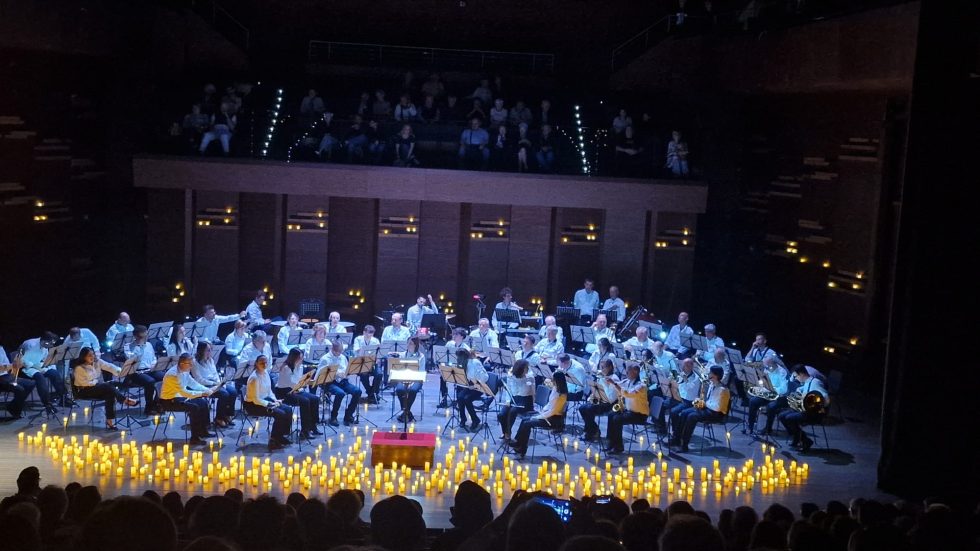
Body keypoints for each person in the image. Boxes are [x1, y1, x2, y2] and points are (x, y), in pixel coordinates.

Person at [70, 347, 137, 430]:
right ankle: (124, 400)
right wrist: (95, 381)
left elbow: (109, 366)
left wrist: (121, 371)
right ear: (83, 357)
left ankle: (109, 420)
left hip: (97, 388)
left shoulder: (97, 362)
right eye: (89, 355)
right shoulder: (79, 368)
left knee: (110, 394)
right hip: (84, 390)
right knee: (107, 386)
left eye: (93, 354)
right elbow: (84, 383)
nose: (92, 357)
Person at [159, 353, 216, 445]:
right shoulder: (172, 375)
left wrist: (207, 390)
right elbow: (184, 393)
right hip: (169, 400)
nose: (192, 366)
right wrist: (202, 393)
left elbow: (192, 383)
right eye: (190, 364)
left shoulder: (185, 370)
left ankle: (204, 431)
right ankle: (195, 438)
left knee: (203, 402)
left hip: (179, 397)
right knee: (194, 407)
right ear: (182, 364)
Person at [671, 366, 730, 452]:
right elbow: (709, 401)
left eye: (710, 373)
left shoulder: (723, 390)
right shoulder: (711, 385)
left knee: (692, 416)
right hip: (708, 409)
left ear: (715, 376)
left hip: (717, 414)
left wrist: (704, 403)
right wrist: (699, 400)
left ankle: (684, 445)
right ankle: (676, 440)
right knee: (684, 412)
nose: (708, 374)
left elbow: (718, 407)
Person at [512, 371, 567, 457]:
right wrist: (542, 411)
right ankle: (518, 443)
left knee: (527, 423)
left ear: (557, 380)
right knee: (525, 418)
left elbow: (553, 411)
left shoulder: (562, 395)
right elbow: (550, 404)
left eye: (553, 379)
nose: (552, 381)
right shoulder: (555, 389)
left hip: (553, 419)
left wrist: (539, 416)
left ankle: (522, 448)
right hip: (547, 414)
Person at [244, 355, 292, 450]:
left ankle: (281, 436)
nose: (265, 365)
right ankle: (274, 440)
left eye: (266, 362)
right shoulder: (254, 378)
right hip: (253, 405)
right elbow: (256, 399)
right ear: (256, 364)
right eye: (262, 363)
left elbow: (269, 391)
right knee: (280, 414)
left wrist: (275, 400)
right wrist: (270, 404)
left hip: (265, 400)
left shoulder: (266, 373)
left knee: (288, 409)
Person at [778, 364, 829, 452]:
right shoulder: (807, 382)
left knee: (789, 418)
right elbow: (806, 389)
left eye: (796, 376)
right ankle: (797, 436)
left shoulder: (815, 382)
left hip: (814, 413)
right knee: (781, 416)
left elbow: (826, 398)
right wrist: (799, 391)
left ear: (801, 374)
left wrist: (819, 408)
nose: (795, 379)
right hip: (805, 410)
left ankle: (806, 441)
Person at [274, 349, 321, 440]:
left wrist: (310, 381)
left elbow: (299, 382)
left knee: (315, 399)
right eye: (300, 358)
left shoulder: (300, 367)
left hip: (296, 390)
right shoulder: (286, 368)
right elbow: (292, 383)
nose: (301, 360)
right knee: (305, 401)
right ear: (294, 358)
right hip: (284, 392)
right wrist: (305, 382)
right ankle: (304, 431)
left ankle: (313, 426)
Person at [19, 332, 70, 412]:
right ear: (45, 341)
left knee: (54, 373)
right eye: (51, 343)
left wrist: (51, 368)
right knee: (40, 377)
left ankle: (64, 399)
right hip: (26, 367)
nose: (52, 345)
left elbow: (46, 359)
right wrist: (37, 367)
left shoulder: (45, 346)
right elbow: (23, 360)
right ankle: (47, 403)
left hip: (38, 366)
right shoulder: (30, 345)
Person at [605, 363, 650, 453]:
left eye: (628, 371)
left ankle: (619, 446)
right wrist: (610, 381)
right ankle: (611, 442)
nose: (626, 373)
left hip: (639, 415)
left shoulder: (641, 386)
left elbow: (628, 394)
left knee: (617, 419)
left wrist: (614, 384)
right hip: (630, 412)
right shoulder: (628, 381)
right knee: (611, 414)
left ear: (636, 372)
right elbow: (618, 384)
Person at [191, 341, 236, 428]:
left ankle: (227, 415)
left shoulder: (211, 360)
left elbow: (215, 374)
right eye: (208, 350)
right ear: (201, 351)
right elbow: (199, 380)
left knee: (233, 391)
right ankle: (219, 418)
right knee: (224, 394)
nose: (210, 352)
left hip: (215, 383)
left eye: (210, 350)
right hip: (205, 385)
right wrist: (215, 384)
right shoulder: (194, 362)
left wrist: (220, 382)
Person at [317, 341, 361, 426]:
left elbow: (346, 369)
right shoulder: (325, 358)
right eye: (338, 352)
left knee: (357, 391)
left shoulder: (342, 357)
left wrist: (346, 373)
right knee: (340, 393)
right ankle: (333, 416)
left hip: (343, 381)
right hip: (330, 382)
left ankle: (348, 414)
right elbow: (321, 374)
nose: (340, 354)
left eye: (341, 352)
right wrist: (336, 373)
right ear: (333, 350)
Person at [124, 325, 163, 416]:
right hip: (136, 372)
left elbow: (153, 358)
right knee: (150, 382)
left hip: (150, 370)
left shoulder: (149, 345)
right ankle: (148, 408)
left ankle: (157, 403)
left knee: (164, 377)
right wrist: (140, 346)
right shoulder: (128, 346)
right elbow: (132, 359)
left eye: (146, 335)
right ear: (136, 336)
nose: (146, 337)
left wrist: (154, 364)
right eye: (143, 336)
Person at [745, 355, 789, 434]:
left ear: (774, 363)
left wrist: (772, 390)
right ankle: (750, 425)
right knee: (753, 400)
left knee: (771, 406)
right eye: (766, 365)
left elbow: (784, 389)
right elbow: (764, 382)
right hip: (768, 394)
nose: (767, 367)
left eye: (768, 365)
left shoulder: (782, 372)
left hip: (779, 396)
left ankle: (768, 428)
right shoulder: (767, 369)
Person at [580, 359, 619, 442]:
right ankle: (594, 429)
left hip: (609, 405)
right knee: (582, 408)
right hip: (601, 402)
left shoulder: (614, 379)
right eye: (601, 368)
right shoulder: (603, 378)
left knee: (589, 409)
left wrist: (604, 384)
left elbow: (611, 398)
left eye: (603, 368)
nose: (602, 370)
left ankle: (591, 432)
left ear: (610, 367)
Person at [497, 359, 535, 441]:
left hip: (525, 400)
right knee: (501, 415)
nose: (527, 369)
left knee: (512, 412)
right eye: (526, 368)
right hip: (513, 398)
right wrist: (508, 400)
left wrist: (525, 380)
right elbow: (509, 389)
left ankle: (507, 433)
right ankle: (506, 431)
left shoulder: (530, 377)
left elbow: (528, 392)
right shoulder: (510, 376)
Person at [393, 337, 425, 423]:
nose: (408, 345)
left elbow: (421, 371)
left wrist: (413, 380)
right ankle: (406, 412)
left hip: (416, 379)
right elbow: (398, 369)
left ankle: (405, 411)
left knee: (413, 390)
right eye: (407, 343)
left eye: (410, 343)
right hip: (402, 377)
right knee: (399, 389)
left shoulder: (421, 356)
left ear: (415, 345)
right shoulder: (402, 355)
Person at [456, 349, 488, 432]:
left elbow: (484, 377)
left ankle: (475, 420)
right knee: (460, 397)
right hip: (469, 386)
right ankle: (463, 419)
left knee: (467, 398)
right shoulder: (462, 364)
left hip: (479, 387)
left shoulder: (475, 363)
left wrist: (474, 385)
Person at [0, 344, 35, 419]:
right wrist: (9, 366)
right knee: (20, 389)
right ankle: (15, 410)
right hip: (1, 378)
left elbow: (6, 364)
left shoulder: (1, 348)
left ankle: (12, 406)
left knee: (30, 384)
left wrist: (16, 365)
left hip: (6, 375)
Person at [439, 327, 470, 408]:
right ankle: (444, 399)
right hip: (449, 368)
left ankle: (459, 402)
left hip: (460, 370)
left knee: (459, 379)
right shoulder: (449, 344)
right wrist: (442, 366)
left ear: (462, 337)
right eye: (454, 334)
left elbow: (466, 365)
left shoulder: (466, 348)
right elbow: (442, 357)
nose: (454, 336)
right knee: (442, 377)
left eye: (456, 334)